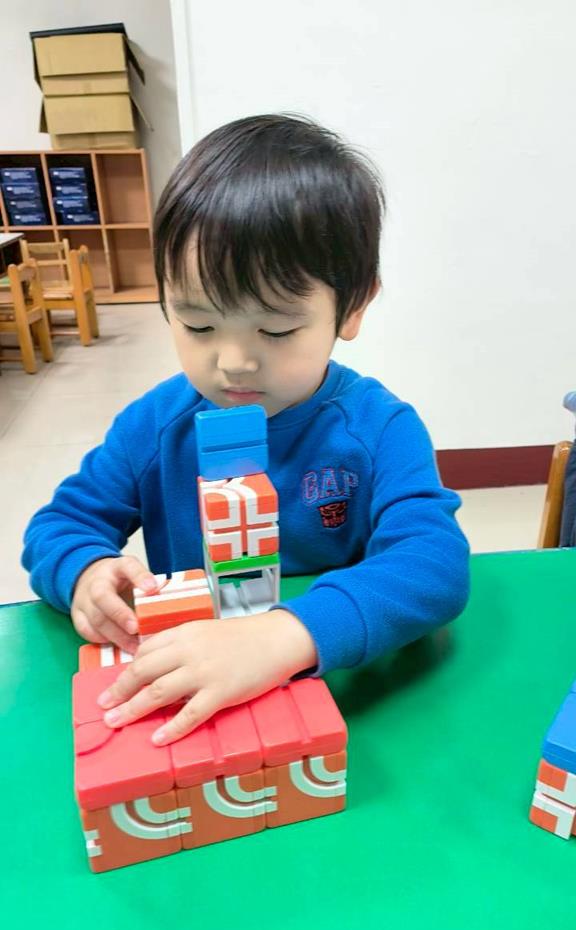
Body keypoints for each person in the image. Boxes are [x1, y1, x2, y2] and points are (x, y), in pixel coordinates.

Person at [22, 112, 470, 746]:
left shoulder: (379, 429)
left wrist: (288, 635)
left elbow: (434, 564)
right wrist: (85, 572)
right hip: (197, 704)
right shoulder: (155, 426)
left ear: (354, 307)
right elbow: (59, 525)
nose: (233, 362)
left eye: (277, 329)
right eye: (198, 325)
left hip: (340, 694)